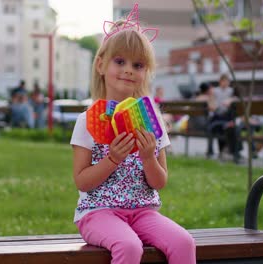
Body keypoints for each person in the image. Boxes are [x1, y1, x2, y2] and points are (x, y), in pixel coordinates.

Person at [69, 12, 196, 264]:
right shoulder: (89, 120)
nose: (128, 70)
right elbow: (82, 182)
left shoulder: (152, 119)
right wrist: (112, 159)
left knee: (184, 242)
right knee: (128, 246)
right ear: (101, 65)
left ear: (145, 72)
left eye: (137, 65)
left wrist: (148, 157)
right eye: (120, 61)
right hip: (97, 213)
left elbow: (159, 182)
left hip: (142, 212)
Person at [208, 74, 242, 160]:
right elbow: (211, 104)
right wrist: (214, 105)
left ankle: (229, 151)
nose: (225, 83)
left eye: (227, 81)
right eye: (224, 81)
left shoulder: (231, 91)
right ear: (220, 81)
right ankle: (225, 151)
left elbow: (237, 99)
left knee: (229, 127)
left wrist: (230, 100)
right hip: (218, 116)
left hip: (227, 117)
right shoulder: (215, 91)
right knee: (222, 128)